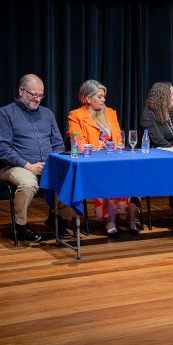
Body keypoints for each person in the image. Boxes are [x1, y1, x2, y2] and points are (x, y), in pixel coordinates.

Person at [0, 74, 71, 242]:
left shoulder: (47, 114)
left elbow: (58, 144)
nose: (37, 99)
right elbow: (1, 149)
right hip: (13, 166)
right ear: (21, 91)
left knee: (70, 177)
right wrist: (28, 166)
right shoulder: (4, 114)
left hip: (46, 165)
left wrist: (51, 163)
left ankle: (57, 220)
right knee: (28, 182)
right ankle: (20, 226)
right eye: (34, 94)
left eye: (40, 95)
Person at [67, 79, 139, 236]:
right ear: (88, 98)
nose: (103, 100)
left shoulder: (110, 113)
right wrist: (98, 147)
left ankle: (131, 217)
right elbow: (78, 142)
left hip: (113, 157)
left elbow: (118, 138)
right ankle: (110, 220)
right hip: (92, 161)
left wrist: (113, 147)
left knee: (134, 172)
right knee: (108, 175)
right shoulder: (76, 115)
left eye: (104, 96)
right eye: (99, 97)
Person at [140, 82, 173, 223]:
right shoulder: (148, 115)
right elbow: (159, 141)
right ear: (162, 96)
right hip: (160, 156)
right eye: (172, 94)